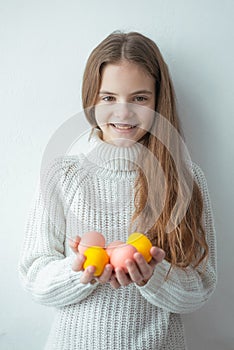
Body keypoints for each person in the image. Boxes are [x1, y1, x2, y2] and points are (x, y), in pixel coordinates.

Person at [18, 31, 217, 350]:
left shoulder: (186, 178)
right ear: (91, 100)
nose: (123, 113)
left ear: (157, 100)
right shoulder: (60, 175)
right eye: (108, 97)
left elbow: (200, 287)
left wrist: (152, 275)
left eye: (140, 98)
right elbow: (34, 277)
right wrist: (81, 268)